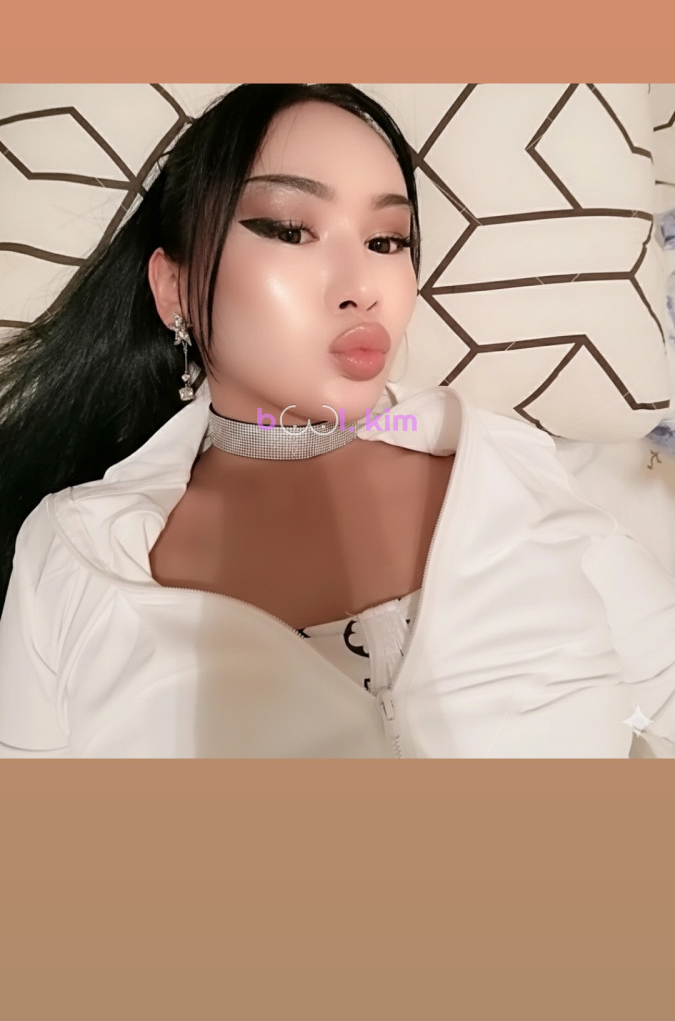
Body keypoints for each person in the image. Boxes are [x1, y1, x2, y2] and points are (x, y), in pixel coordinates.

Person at [0, 82, 674, 758]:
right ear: (174, 288)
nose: (362, 287)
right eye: (290, 230)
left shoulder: (515, 466)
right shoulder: (74, 554)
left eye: (386, 240)